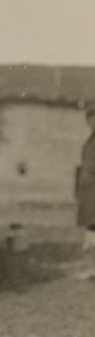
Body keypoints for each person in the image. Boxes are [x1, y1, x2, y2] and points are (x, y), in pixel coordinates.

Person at [77, 103, 95, 249]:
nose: (91, 123)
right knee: (90, 217)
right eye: (90, 119)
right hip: (88, 185)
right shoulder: (90, 139)